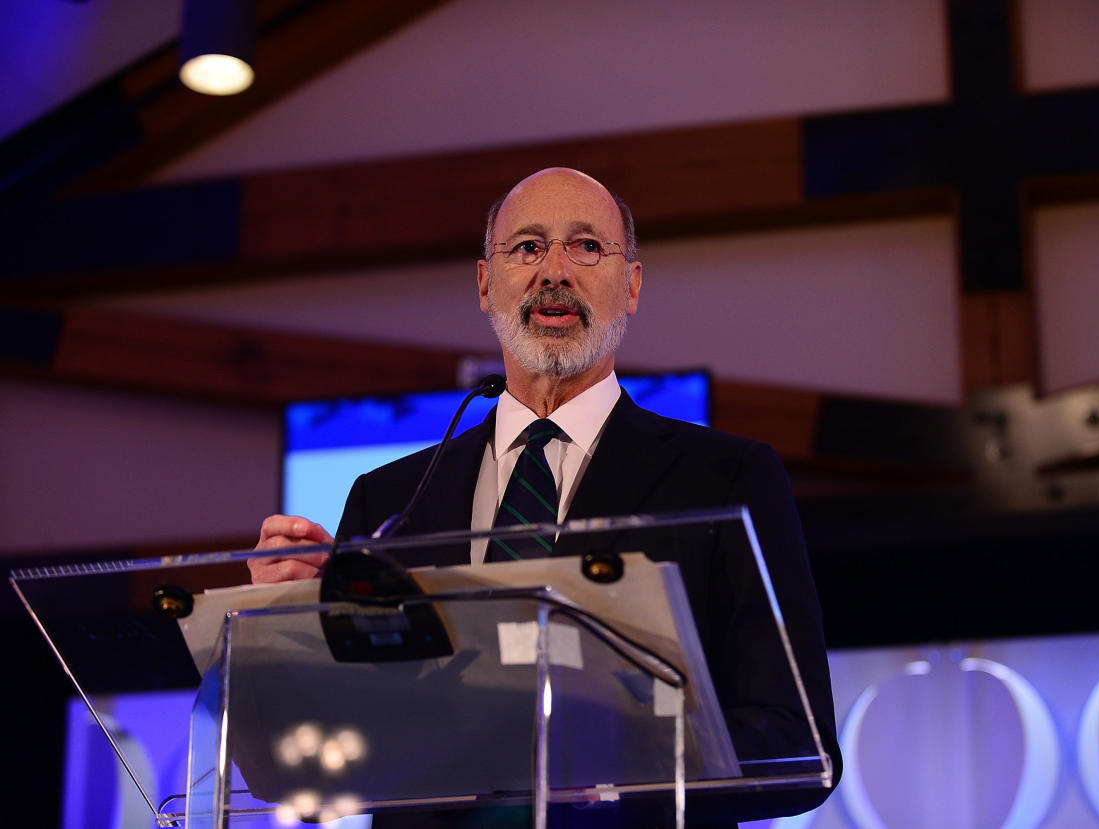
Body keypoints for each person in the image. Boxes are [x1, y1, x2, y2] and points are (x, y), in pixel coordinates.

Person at [250, 168, 840, 825]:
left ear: (632, 285)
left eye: (586, 246)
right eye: (527, 247)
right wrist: (275, 626)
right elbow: (303, 763)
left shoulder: (728, 478)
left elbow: (800, 744)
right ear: (484, 282)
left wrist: (628, 749)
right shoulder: (387, 501)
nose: (554, 270)